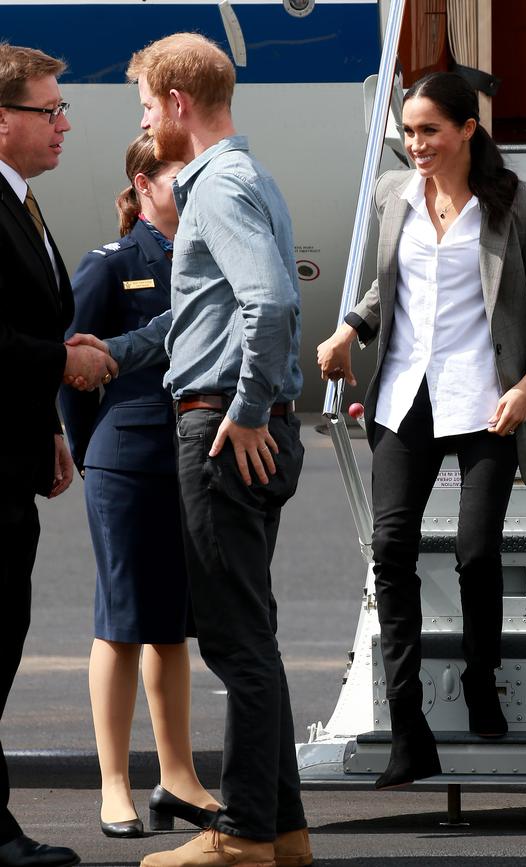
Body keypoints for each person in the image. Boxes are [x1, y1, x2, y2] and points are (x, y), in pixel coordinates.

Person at [67, 32, 312, 867]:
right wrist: (114, 351)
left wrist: (244, 410)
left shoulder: (214, 187)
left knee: (235, 640)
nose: (142, 120)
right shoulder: (253, 180)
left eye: (144, 106)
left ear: (175, 104)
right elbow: (196, 319)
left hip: (222, 428)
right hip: (237, 419)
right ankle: (282, 827)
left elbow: (271, 306)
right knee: (254, 632)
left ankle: (242, 835)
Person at [317, 71, 526, 790]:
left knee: (473, 551)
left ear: (468, 128)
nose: (416, 144)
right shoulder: (393, 194)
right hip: (406, 396)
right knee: (391, 549)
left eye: (429, 130)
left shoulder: (515, 203)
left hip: (487, 399)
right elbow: (388, 284)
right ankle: (410, 728)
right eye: (408, 132)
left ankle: (482, 677)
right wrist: (349, 328)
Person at [59, 133, 219, 839]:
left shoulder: (208, 258)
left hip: (187, 457)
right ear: (144, 181)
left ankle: (178, 773)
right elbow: (72, 365)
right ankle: (115, 782)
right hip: (124, 459)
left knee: (173, 624)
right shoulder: (112, 263)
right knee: (122, 622)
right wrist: (88, 449)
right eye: (181, 176)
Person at [0, 42, 116, 867]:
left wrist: (45, 422)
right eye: (49, 109)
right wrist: (61, 364)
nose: (64, 124)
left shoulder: (21, 200)